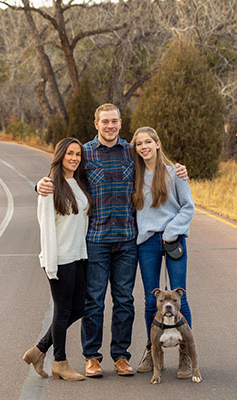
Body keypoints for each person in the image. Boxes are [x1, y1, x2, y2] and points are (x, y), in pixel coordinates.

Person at [36, 104, 188, 378]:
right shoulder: (85, 152)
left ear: (120, 123)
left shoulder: (131, 152)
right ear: (96, 124)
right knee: (94, 301)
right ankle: (92, 357)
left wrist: (179, 171)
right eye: (105, 121)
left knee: (124, 301)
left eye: (114, 122)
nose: (110, 126)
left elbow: (155, 162)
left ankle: (121, 356)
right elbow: (63, 173)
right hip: (96, 239)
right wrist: (38, 185)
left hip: (128, 240)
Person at [23, 137, 92, 381]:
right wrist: (51, 265)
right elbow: (47, 229)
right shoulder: (50, 187)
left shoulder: (78, 183)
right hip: (59, 258)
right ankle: (59, 363)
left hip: (77, 256)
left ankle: (39, 350)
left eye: (78, 154)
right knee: (63, 311)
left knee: (79, 307)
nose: (74, 158)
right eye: (70, 153)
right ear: (60, 155)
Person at [130, 126, 195, 379]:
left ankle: (185, 352)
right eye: (139, 144)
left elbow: (188, 207)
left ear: (157, 143)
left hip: (173, 239)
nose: (143, 147)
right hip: (146, 242)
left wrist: (171, 231)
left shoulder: (174, 173)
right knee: (150, 299)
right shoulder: (134, 175)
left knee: (180, 296)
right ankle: (152, 349)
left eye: (148, 142)